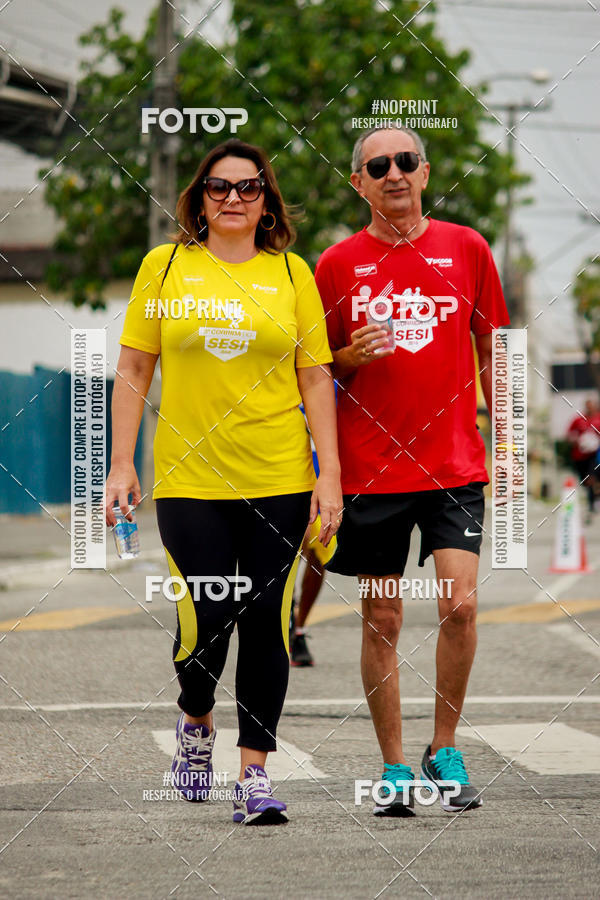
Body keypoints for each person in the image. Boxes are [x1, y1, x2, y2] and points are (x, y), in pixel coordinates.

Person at [105, 138, 341, 825]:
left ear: (267, 201)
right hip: (188, 480)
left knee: (266, 622)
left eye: (248, 187)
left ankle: (255, 776)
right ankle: (196, 722)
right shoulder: (167, 265)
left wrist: (330, 477)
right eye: (219, 186)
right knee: (205, 623)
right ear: (199, 197)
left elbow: (316, 377)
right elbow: (134, 370)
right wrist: (121, 462)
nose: (233, 198)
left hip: (279, 475)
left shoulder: (293, 273)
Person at [315, 125, 509, 816]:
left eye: (405, 162)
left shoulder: (467, 249)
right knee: (383, 616)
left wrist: (507, 441)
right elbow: (313, 370)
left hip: (454, 464)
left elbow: (496, 347)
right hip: (371, 471)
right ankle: (394, 767)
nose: (393, 174)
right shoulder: (335, 265)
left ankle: (444, 747)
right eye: (377, 165)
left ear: (424, 173)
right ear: (358, 182)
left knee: (459, 605)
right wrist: (347, 359)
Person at [566, 398, 600, 520]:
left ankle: (593, 504)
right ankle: (594, 498)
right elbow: (569, 435)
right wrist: (575, 441)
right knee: (585, 481)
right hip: (580, 456)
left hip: (595, 455)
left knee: (592, 478)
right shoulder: (578, 420)